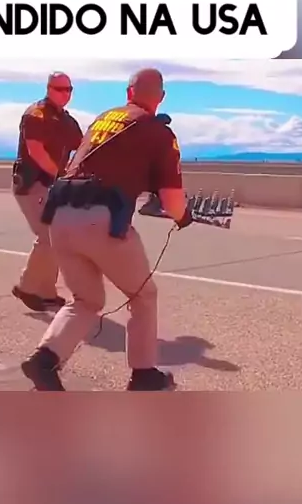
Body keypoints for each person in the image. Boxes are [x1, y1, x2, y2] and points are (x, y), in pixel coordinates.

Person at [20, 68, 194, 392]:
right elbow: (172, 201)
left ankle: (44, 361)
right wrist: (184, 217)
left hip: (60, 215)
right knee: (143, 295)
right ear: (161, 98)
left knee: (85, 299)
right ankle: (143, 374)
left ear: (128, 93)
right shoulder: (159, 133)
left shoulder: (102, 119)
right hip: (100, 217)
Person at [12, 72, 83, 311]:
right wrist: (59, 174)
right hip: (32, 184)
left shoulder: (67, 121)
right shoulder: (35, 115)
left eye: (69, 89)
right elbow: (36, 151)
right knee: (48, 234)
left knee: (57, 236)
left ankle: (45, 292)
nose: (65, 94)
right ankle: (27, 287)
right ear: (49, 88)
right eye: (60, 89)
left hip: (54, 185)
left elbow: (82, 147)